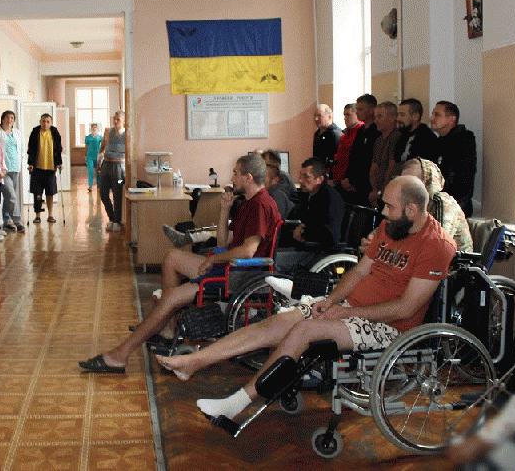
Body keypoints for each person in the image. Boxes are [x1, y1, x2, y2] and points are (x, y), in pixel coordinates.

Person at [155, 176, 456, 423]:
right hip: (351, 308)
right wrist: (332, 300)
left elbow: (406, 308)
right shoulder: (391, 228)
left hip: (390, 327)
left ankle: (235, 404)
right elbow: (360, 271)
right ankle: (193, 362)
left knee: (303, 331)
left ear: (412, 209)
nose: (384, 213)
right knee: (276, 323)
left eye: (390, 207)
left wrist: (344, 313)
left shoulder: (436, 245)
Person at [80, 154, 281, 373]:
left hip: (238, 274)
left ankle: (120, 355)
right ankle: (167, 327)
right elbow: (223, 242)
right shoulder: (249, 203)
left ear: (248, 177)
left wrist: (213, 259)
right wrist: (224, 210)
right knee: (171, 257)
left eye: (236, 173)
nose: (232, 177)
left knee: (170, 299)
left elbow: (248, 252)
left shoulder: (260, 205)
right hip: (230, 266)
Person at [275, 157, 345, 273]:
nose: (300, 180)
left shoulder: (331, 199)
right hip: (303, 247)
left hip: (319, 251)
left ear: (319, 179)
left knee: (274, 260)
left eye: (306, 177)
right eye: (300, 175)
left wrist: (304, 231)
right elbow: (293, 218)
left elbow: (331, 235)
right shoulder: (308, 196)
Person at [401, 158, 472, 251]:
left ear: (428, 182)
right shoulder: (410, 205)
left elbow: (438, 243)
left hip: (454, 259)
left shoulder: (441, 201)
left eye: (412, 182)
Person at [430, 101, 476, 217]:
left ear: (451, 119)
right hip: (437, 204)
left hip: (454, 209)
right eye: (432, 114)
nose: (432, 118)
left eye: (437, 115)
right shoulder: (438, 142)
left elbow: (462, 179)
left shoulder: (464, 141)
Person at [341, 94, 380, 206]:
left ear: (372, 109)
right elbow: (353, 157)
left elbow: (370, 159)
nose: (357, 112)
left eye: (360, 109)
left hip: (367, 185)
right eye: (357, 109)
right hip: (353, 185)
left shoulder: (377, 131)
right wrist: (348, 177)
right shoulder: (360, 130)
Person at [26, 113, 63, 224]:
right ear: (40, 121)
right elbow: (31, 149)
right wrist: (30, 163)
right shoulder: (35, 132)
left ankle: (50, 215)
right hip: (37, 168)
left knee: (50, 193)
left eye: (48, 122)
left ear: (51, 123)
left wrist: (59, 163)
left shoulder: (54, 132)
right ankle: (37, 216)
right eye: (43, 121)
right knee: (37, 194)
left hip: (50, 168)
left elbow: (58, 149)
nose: (45, 124)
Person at [391, 98, 438, 177]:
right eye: (398, 115)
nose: (398, 118)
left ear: (415, 116)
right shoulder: (401, 136)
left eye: (402, 115)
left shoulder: (427, 139)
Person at [98, 111, 127, 231]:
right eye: (114, 119)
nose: (115, 121)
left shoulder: (127, 134)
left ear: (124, 121)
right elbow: (102, 147)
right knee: (103, 193)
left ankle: (117, 221)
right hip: (106, 166)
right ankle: (112, 218)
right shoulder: (108, 132)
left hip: (119, 168)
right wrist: (99, 161)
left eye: (118, 119)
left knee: (117, 194)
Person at [368, 101, 400, 207]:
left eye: (380, 116)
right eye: (375, 117)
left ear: (392, 118)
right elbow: (374, 166)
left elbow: (391, 167)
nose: (376, 120)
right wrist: (375, 190)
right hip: (377, 192)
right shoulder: (378, 140)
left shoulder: (396, 138)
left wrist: (383, 191)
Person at [0, 110, 25, 233]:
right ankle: (17, 221)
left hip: (15, 168)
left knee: (8, 197)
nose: (9, 120)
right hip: (4, 169)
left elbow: (21, 149)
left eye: (12, 118)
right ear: (2, 119)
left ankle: (7, 221)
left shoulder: (17, 133)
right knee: (12, 196)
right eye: (7, 117)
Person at [330, 103, 363, 186]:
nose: (345, 118)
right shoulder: (345, 134)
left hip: (351, 181)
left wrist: (350, 179)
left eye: (348, 115)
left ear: (357, 115)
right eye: (344, 115)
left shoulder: (361, 133)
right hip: (339, 180)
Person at [312, 104, 341, 170]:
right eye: (315, 116)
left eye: (319, 116)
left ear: (329, 117)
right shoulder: (317, 133)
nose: (316, 119)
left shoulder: (335, 134)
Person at [85, 123, 103, 192]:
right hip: (89, 156)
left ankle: (98, 184)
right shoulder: (88, 137)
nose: (94, 128)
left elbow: (103, 145)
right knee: (90, 170)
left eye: (95, 127)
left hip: (97, 156)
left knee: (98, 171)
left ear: (97, 128)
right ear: (91, 128)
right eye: (93, 127)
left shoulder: (100, 137)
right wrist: (85, 155)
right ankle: (90, 185)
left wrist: (102, 154)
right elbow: (86, 146)